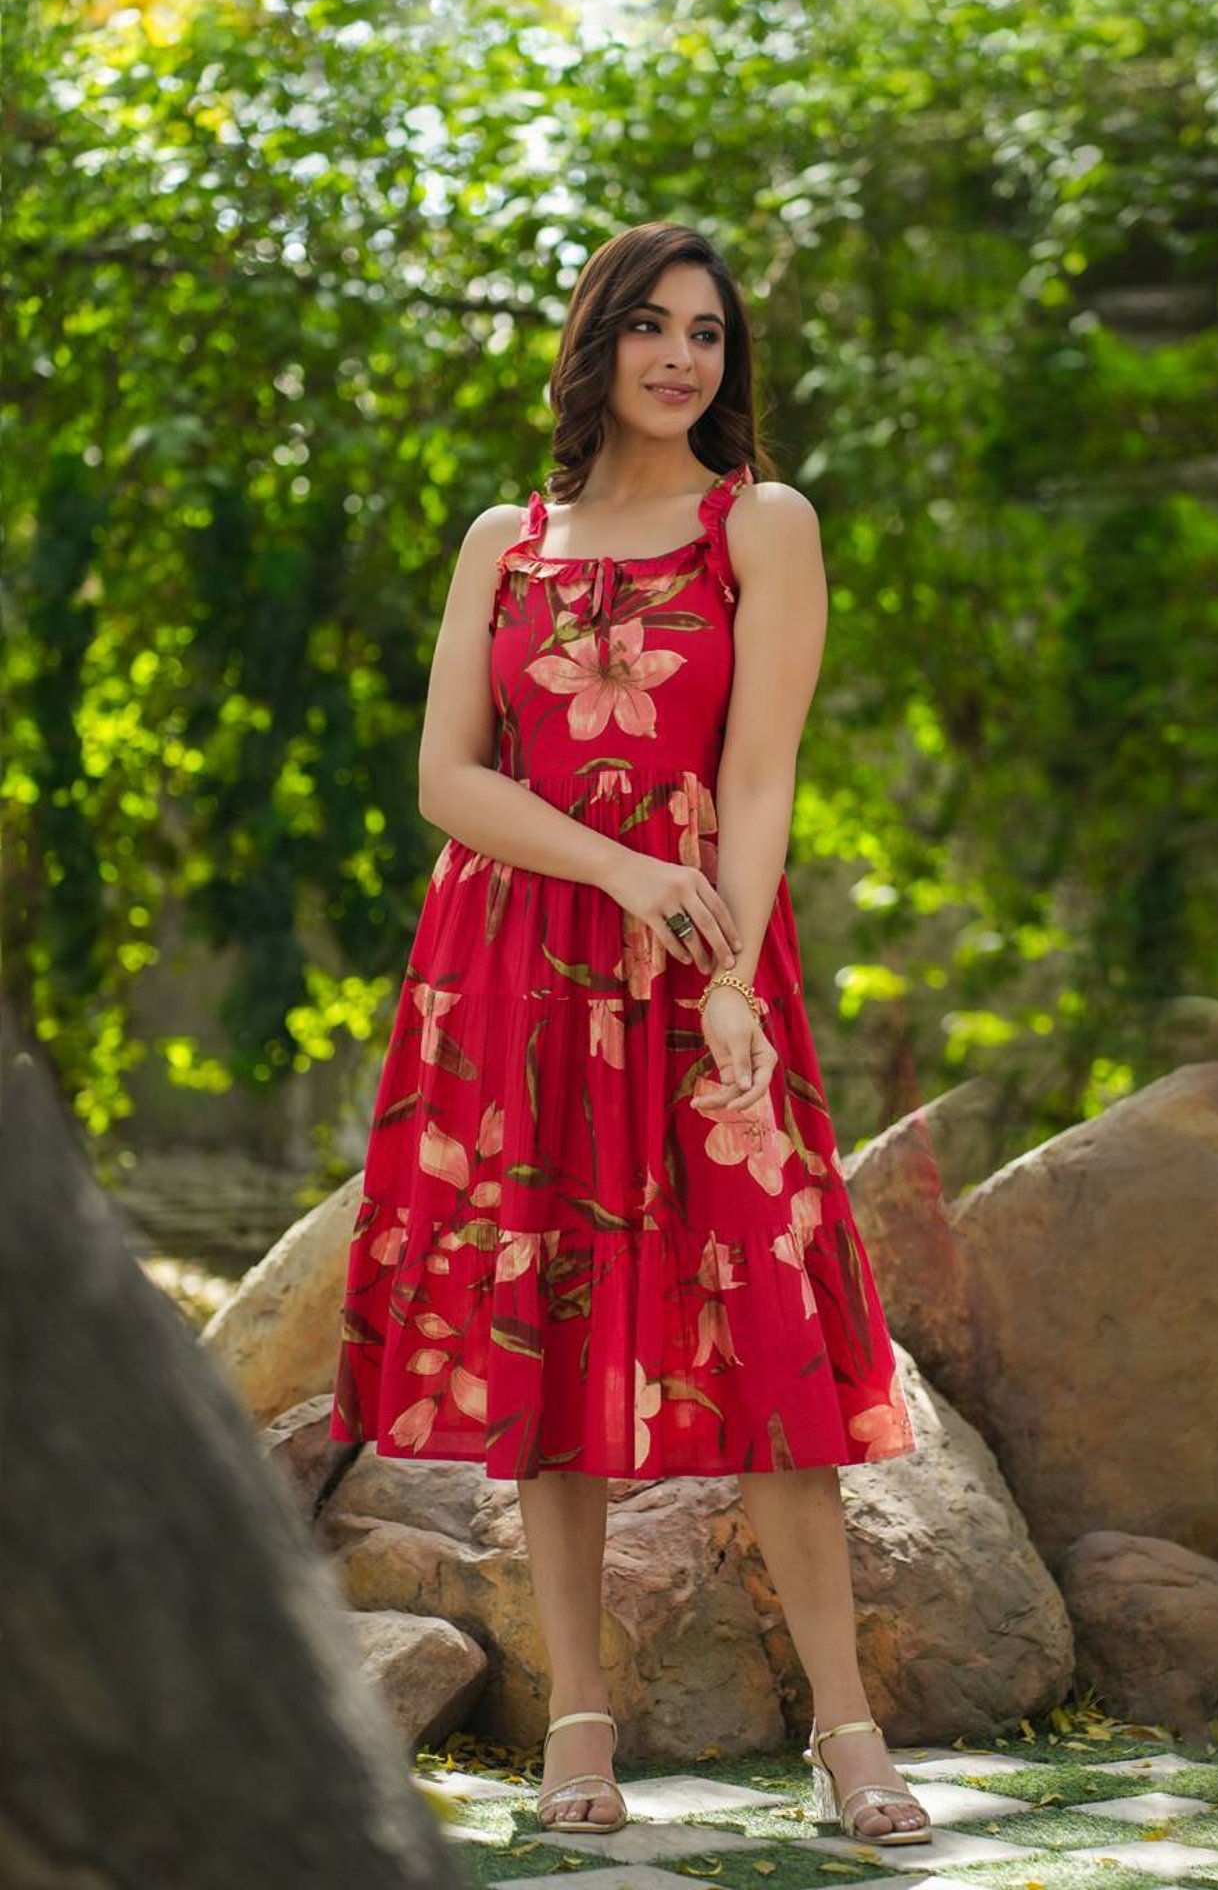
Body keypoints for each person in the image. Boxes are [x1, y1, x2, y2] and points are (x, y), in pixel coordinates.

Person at [328, 222, 930, 1845]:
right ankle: (576, 1727)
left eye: (710, 335)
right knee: (545, 1342)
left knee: (772, 1346)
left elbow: (757, 774)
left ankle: (848, 1732)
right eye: (652, 326)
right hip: (515, 960)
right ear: (594, 343)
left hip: (705, 969)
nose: (683, 357)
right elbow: (451, 779)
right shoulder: (500, 541)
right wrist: (616, 869)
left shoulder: (764, 525)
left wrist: (725, 961)